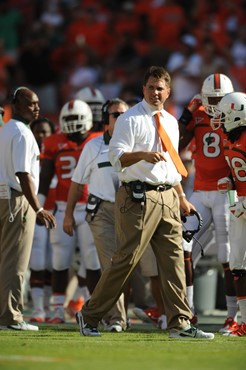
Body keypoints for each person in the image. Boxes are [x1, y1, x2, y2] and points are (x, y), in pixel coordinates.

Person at [76, 66, 215, 339]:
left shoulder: (172, 122)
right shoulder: (129, 119)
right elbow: (116, 157)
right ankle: (89, 314)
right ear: (143, 89)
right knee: (126, 260)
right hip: (137, 196)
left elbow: (173, 165)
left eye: (160, 87)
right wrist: (142, 155)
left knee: (174, 261)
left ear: (168, 91)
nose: (155, 92)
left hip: (167, 195)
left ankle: (180, 323)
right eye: (150, 87)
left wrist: (182, 196)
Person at [178, 73, 238, 332]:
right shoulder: (198, 114)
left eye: (220, 99)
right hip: (200, 191)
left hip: (227, 192)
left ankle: (233, 315)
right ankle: (187, 311)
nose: (215, 103)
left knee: (228, 255)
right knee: (181, 245)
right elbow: (176, 143)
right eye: (211, 99)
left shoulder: (236, 112)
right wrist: (186, 117)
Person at [64, 98, 129, 332]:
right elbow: (77, 182)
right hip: (101, 210)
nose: (121, 119)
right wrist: (68, 214)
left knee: (130, 265)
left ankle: (143, 313)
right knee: (111, 264)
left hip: (131, 210)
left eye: (124, 114)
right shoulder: (93, 146)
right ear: (105, 119)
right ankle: (116, 318)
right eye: (116, 115)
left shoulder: (136, 142)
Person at [38, 99, 101, 324]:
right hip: (63, 208)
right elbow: (45, 176)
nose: (73, 124)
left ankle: (92, 308)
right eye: (69, 119)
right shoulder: (55, 142)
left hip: (90, 208)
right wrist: (40, 205)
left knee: (92, 260)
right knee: (60, 261)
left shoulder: (97, 140)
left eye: (77, 119)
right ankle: (56, 308)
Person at [0, 87, 56, 331]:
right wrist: (39, 208)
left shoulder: (6, 130)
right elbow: (23, 174)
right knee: (16, 262)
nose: (37, 108)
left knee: (6, 260)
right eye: (31, 103)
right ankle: (11, 317)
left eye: (37, 103)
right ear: (17, 104)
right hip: (17, 200)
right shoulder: (22, 133)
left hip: (4, 197)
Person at [211, 92, 246, 337]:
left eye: (223, 114)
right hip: (240, 205)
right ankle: (244, 322)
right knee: (237, 265)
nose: (219, 119)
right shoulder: (229, 139)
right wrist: (230, 181)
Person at [29, 117, 57, 323]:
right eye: (38, 131)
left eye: (45, 132)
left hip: (56, 211)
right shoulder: (27, 152)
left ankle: (50, 307)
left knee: (53, 263)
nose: (42, 136)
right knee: (38, 261)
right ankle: (39, 309)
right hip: (34, 211)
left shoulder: (57, 152)